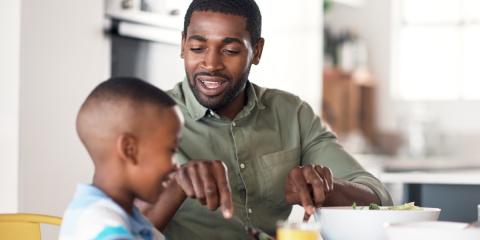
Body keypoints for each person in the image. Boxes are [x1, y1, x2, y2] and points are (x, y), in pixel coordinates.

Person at [144, 0, 393, 239]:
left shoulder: (291, 113)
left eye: (230, 50)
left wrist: (327, 187)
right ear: (182, 45)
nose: (211, 64)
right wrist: (176, 187)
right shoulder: (150, 119)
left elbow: (379, 198)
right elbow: (122, 226)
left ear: (257, 51)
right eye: (197, 48)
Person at [59, 77, 186, 240]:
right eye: (171, 151)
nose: (176, 166)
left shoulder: (129, 216)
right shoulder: (101, 224)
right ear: (129, 149)